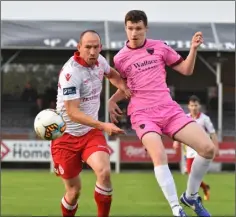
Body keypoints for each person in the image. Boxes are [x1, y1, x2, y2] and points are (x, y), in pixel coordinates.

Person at [108, 10, 216, 217]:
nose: (134, 33)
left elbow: (186, 70)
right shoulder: (120, 58)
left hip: (169, 109)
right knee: (159, 154)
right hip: (142, 114)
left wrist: (193, 49)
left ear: (146, 28)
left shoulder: (159, 47)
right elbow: (124, 87)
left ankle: (191, 196)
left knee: (208, 149)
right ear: (125, 29)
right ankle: (177, 209)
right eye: (130, 28)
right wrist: (112, 100)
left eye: (138, 28)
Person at [51, 30, 131, 217]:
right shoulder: (71, 73)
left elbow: (113, 75)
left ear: (100, 47)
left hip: (90, 133)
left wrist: (122, 91)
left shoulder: (100, 61)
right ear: (79, 48)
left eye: (96, 47)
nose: (92, 51)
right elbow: (72, 112)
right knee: (73, 192)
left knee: (104, 173)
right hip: (65, 137)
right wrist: (104, 126)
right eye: (88, 47)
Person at [173, 95, 219, 201]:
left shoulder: (205, 119)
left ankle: (193, 196)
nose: (194, 107)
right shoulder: (185, 117)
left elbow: (212, 134)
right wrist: (176, 141)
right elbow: (179, 130)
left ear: (199, 106)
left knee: (193, 173)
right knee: (191, 173)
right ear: (188, 106)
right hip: (190, 149)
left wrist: (216, 148)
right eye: (192, 105)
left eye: (196, 105)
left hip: (202, 149)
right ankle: (204, 188)